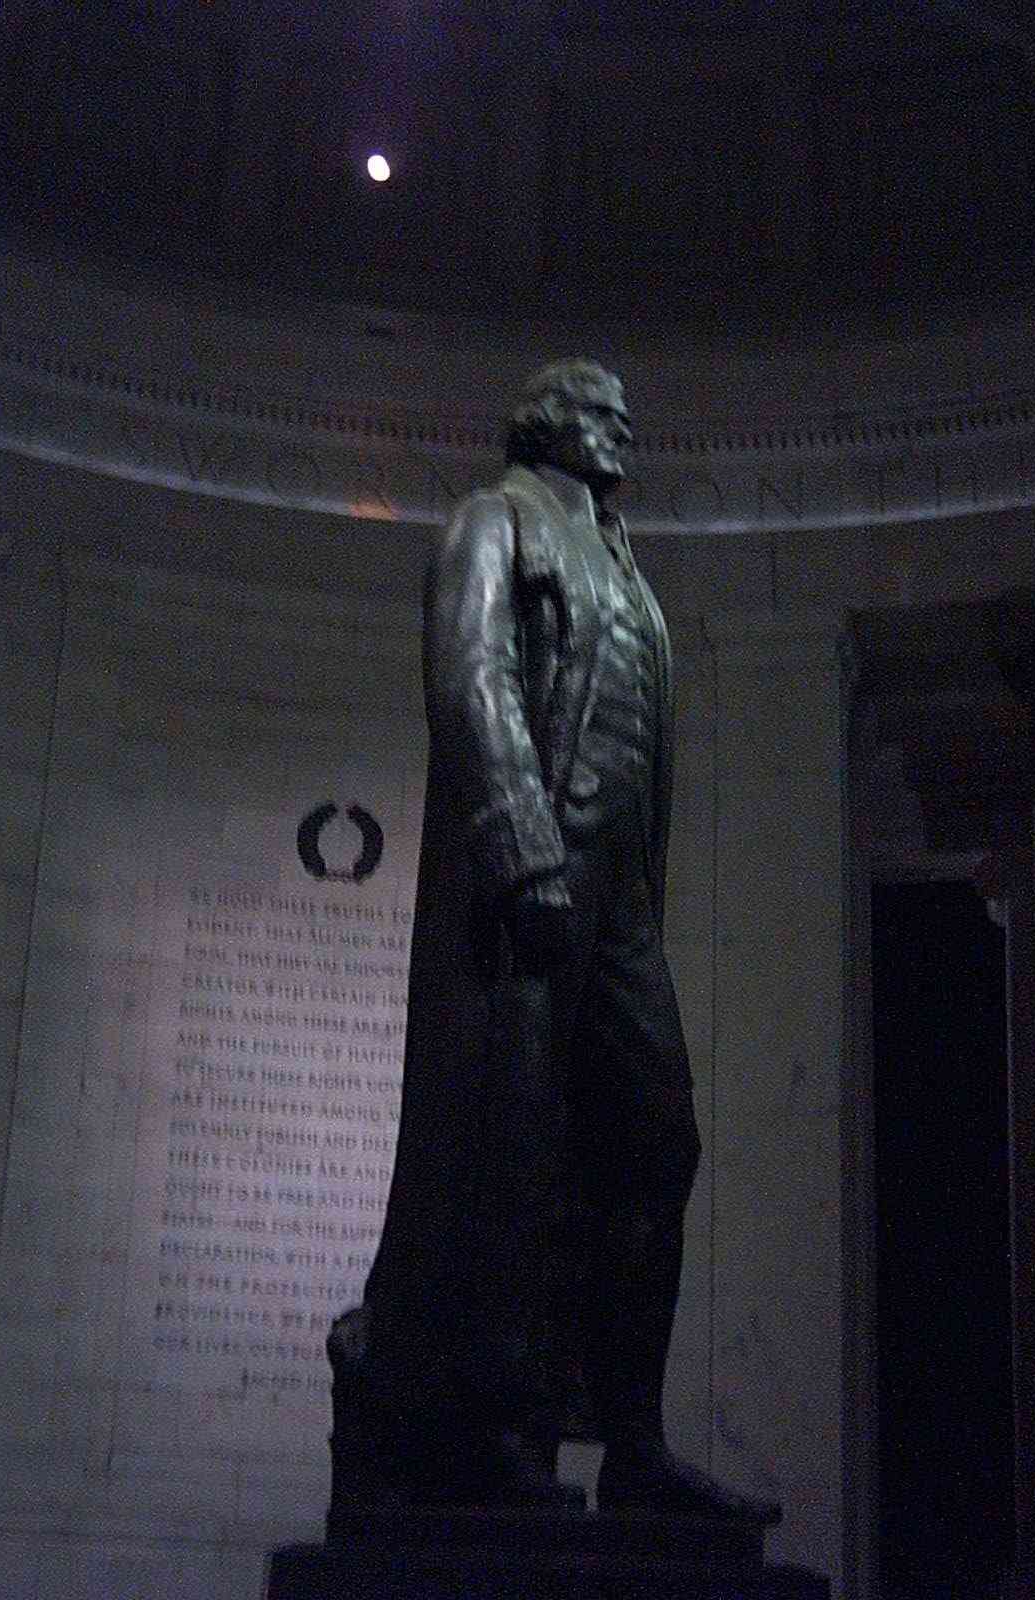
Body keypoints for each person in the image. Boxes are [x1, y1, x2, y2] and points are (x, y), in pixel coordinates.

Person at [332, 360, 778, 1524]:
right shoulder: (496, 521)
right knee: (512, 1153)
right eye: (594, 404)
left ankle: (634, 1442)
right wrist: (521, 842)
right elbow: (470, 677)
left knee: (656, 1139)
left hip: (618, 897)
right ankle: (490, 1429)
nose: (619, 420)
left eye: (622, 408)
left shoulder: (626, 569)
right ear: (543, 424)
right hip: (530, 876)